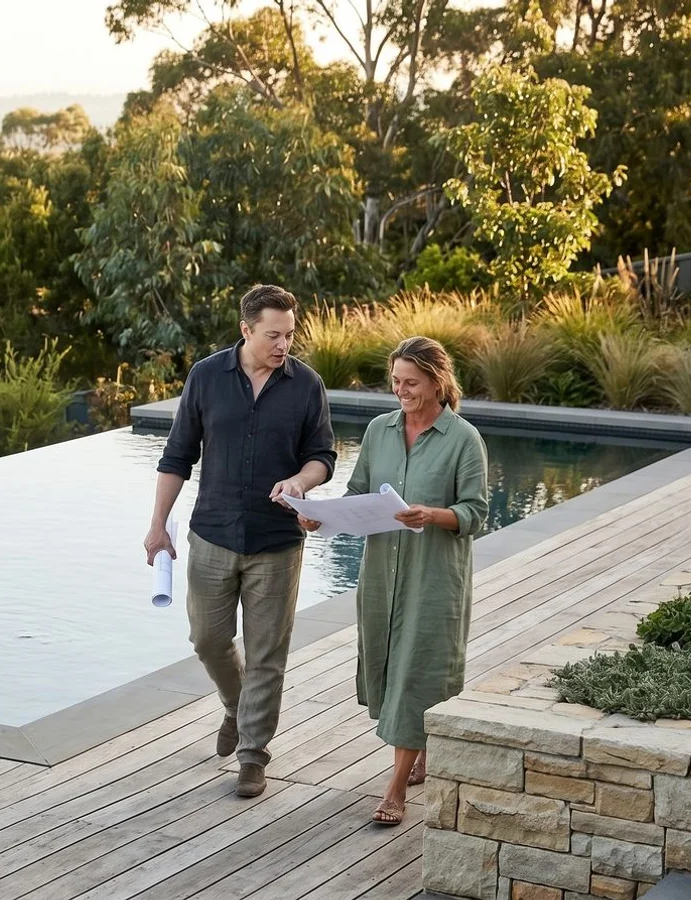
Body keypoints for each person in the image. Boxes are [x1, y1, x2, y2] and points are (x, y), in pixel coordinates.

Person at [145, 284, 337, 799]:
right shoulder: (206, 376)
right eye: (273, 335)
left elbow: (323, 456)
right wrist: (158, 524)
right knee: (206, 639)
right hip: (212, 534)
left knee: (267, 652)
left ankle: (253, 755)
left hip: (277, 541)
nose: (283, 344)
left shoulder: (306, 385)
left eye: (290, 334)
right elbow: (177, 454)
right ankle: (235, 704)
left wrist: (302, 481)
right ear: (246, 329)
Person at [299, 335, 488, 826]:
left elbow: (475, 513)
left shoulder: (464, 439)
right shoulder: (380, 431)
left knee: (415, 669)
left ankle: (396, 787)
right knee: (388, 664)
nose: (400, 391)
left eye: (411, 383)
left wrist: (435, 514)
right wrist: (322, 516)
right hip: (382, 574)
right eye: (396, 382)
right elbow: (360, 492)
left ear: (437, 381)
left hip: (433, 578)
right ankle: (419, 747)